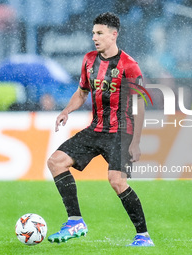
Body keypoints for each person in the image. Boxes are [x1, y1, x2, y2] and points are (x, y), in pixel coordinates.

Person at [47, 12, 154, 247]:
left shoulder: (130, 65)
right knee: (55, 162)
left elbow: (139, 105)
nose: (94, 37)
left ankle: (143, 235)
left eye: (99, 33)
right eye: (93, 33)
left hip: (121, 132)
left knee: (116, 181)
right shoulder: (88, 60)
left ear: (113, 35)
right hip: (96, 129)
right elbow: (82, 92)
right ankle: (75, 221)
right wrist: (66, 111)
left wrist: (135, 143)